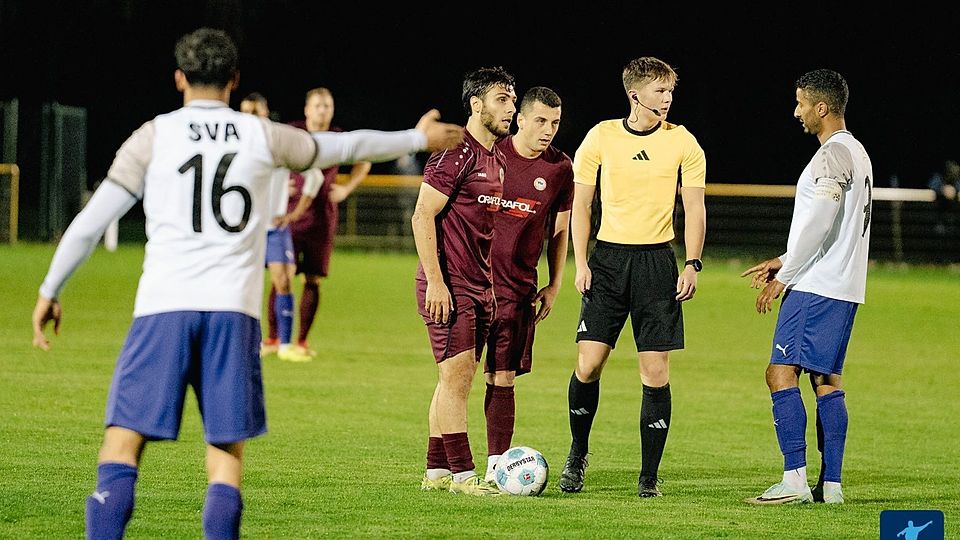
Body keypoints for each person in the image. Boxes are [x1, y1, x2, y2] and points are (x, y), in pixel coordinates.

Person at [30, 27, 463, 539]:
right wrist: (416, 138)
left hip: (161, 310)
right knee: (225, 459)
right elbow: (341, 145)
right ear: (234, 81)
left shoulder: (154, 135)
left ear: (178, 79)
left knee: (122, 446)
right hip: (233, 315)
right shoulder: (262, 135)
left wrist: (50, 289)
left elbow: (88, 222)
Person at [557, 56, 706, 498]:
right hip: (607, 263)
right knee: (588, 364)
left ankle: (648, 476)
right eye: (660, 91)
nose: (668, 99)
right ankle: (577, 455)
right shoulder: (601, 136)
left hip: (657, 265)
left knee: (655, 372)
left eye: (671, 92)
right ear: (635, 94)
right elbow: (581, 205)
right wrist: (580, 262)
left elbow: (694, 206)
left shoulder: (683, 142)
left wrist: (692, 262)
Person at [741, 68, 872, 506]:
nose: (796, 111)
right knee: (826, 380)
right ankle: (830, 486)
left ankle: (794, 478)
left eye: (800, 103)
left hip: (817, 285)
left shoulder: (830, 156)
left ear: (821, 107)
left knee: (779, 374)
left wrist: (786, 270)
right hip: (846, 286)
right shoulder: (859, 152)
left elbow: (822, 218)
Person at [412, 66, 517, 496]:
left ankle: (436, 472)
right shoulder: (456, 154)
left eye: (512, 99)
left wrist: (489, 285)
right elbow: (422, 216)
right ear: (476, 104)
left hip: (477, 286)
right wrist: (436, 283)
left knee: (454, 379)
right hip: (449, 286)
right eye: (501, 99)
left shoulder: (498, 157)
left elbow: (483, 232)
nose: (510, 108)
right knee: (457, 381)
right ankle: (463, 476)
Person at [482, 86, 574, 483]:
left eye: (554, 123)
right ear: (520, 118)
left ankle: (495, 467)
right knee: (456, 376)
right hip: (472, 285)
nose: (548, 130)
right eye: (540, 121)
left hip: (519, 291)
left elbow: (560, 230)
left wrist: (555, 284)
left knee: (501, 377)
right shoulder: (491, 152)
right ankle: (442, 465)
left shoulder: (559, 168)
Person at [263, 87, 373, 358]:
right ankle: (274, 339)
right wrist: (274, 184)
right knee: (281, 278)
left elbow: (364, 161)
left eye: (327, 105)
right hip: (288, 214)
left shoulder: (337, 138)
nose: (323, 110)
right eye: (318, 105)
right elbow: (266, 156)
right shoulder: (293, 133)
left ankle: (301, 341)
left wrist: (347, 189)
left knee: (313, 279)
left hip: (322, 217)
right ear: (307, 109)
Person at [240, 92, 315, 363]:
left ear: (265, 112)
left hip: (275, 227)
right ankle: (250, 342)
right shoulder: (234, 145)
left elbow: (314, 175)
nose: (251, 117)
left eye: (256, 111)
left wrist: (294, 213)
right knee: (243, 285)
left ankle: (284, 345)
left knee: (283, 281)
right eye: (246, 112)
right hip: (244, 229)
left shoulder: (277, 143)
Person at [927, 159, 959, 237]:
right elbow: (929, 190)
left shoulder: (957, 181)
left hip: (952, 213)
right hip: (936, 212)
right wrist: (942, 190)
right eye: (951, 170)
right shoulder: (938, 178)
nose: (954, 173)